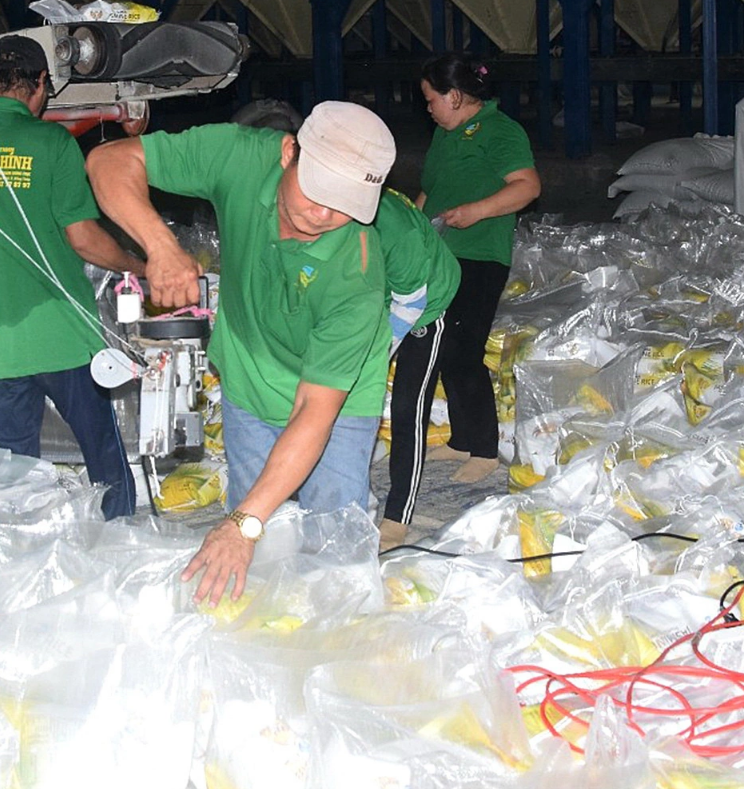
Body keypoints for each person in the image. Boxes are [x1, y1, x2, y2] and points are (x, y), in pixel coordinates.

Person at [85, 101, 396, 605]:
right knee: (256, 535)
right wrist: (160, 245)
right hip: (250, 376)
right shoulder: (240, 157)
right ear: (289, 151)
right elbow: (108, 161)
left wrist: (242, 525)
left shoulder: (355, 275)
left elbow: (313, 413)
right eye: (318, 191)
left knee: (332, 536)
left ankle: (336, 635)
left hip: (332, 404)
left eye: (344, 204)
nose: (324, 214)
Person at [0, 34, 138, 521]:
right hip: (62, 335)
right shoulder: (52, 142)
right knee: (103, 455)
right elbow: (84, 238)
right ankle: (122, 538)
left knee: (11, 474)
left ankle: (22, 555)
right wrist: (141, 265)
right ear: (39, 85)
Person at [417, 52, 541, 484]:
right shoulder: (444, 135)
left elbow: (527, 186)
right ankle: (461, 440)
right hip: (442, 256)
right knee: (442, 349)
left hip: (480, 255)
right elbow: (430, 194)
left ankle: (485, 449)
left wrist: (477, 211)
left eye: (431, 99)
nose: (427, 108)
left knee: (463, 351)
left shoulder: (501, 131)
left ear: (454, 96)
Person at [375, 188, 461, 551]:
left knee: (409, 406)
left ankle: (398, 514)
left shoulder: (394, 226)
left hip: (427, 305)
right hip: (380, 297)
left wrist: (377, 356)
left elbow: (412, 301)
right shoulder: (324, 214)